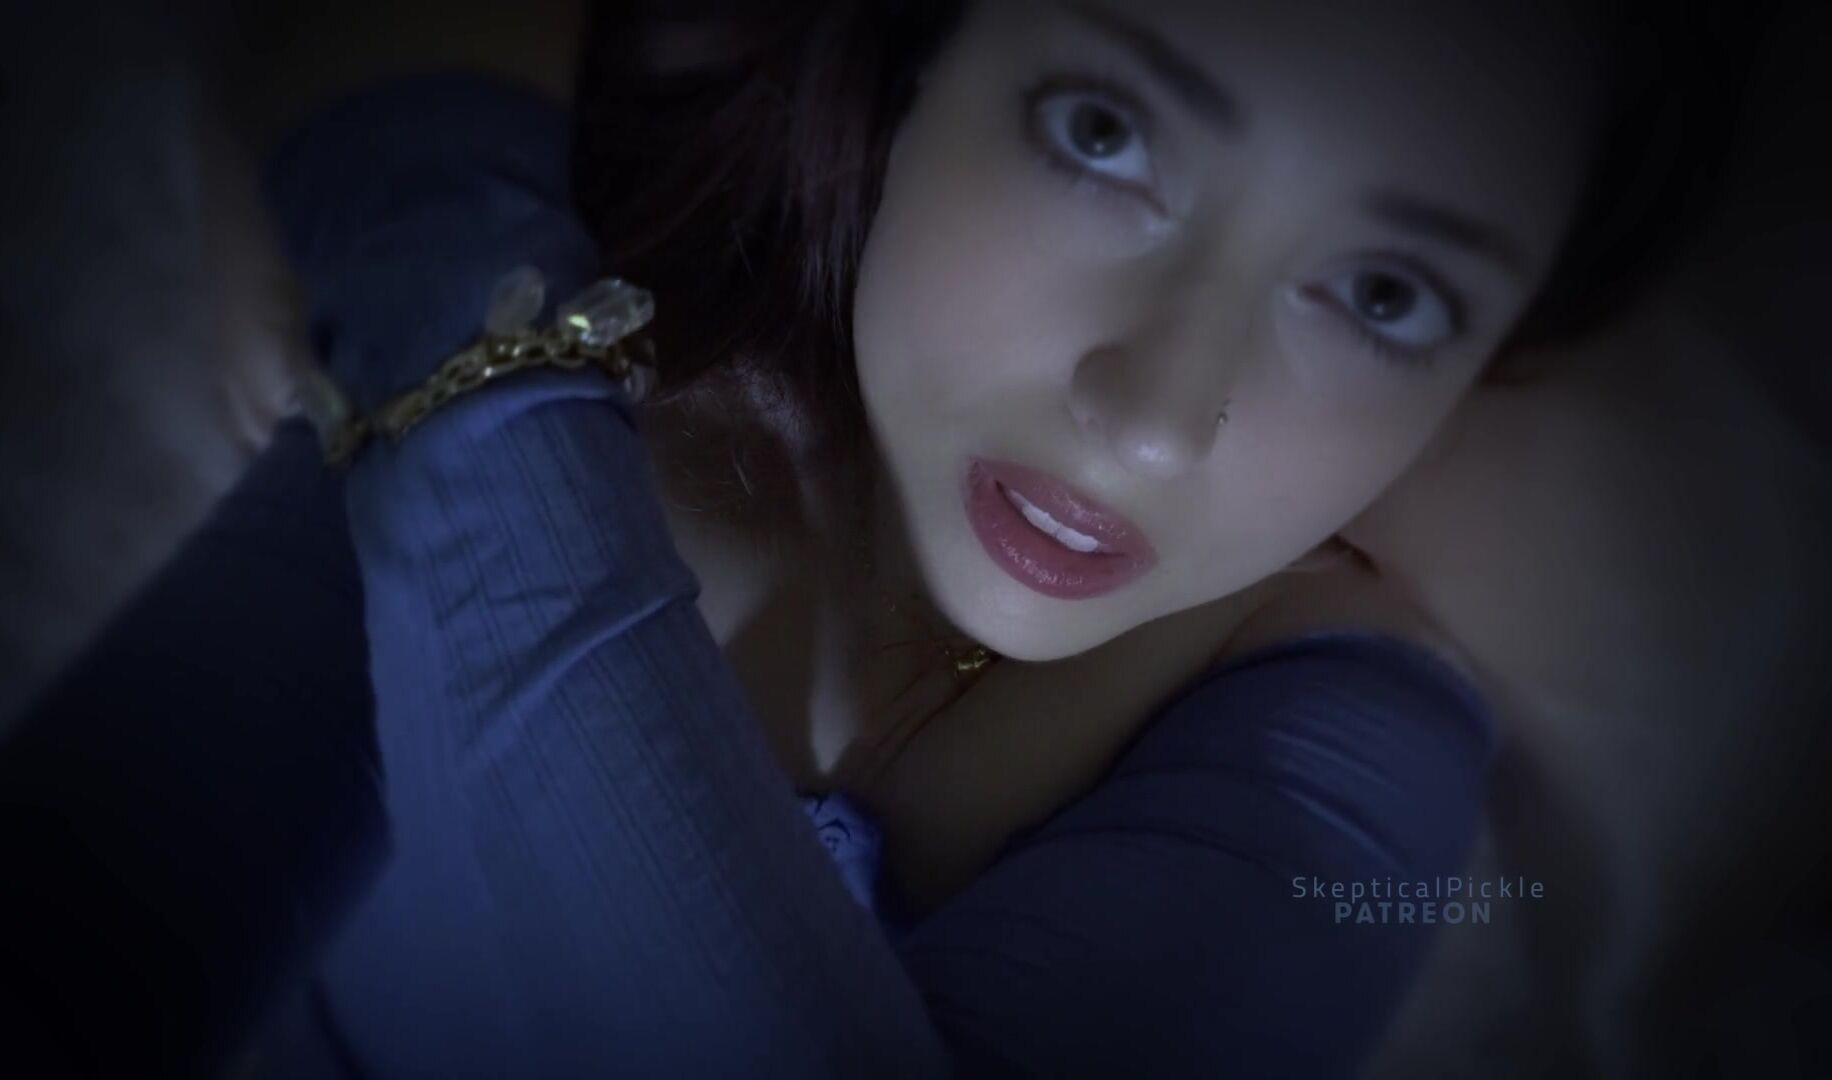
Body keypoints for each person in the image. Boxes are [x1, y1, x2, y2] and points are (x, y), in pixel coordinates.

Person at [0, 1, 1733, 1077]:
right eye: (1104, 134)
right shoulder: (629, 343)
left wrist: (435, 230)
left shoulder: (1355, 751)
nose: (1152, 415)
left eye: (1385, 295)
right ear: (919, 55)